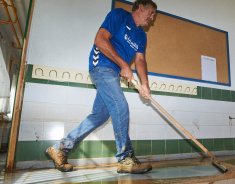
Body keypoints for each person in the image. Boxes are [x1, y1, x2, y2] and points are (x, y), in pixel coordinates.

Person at [45, 0, 157, 174]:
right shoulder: (120, 15)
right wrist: (124, 65)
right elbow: (100, 40)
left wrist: (144, 84)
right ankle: (125, 158)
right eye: (151, 13)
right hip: (102, 65)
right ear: (141, 7)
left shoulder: (142, 35)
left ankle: (60, 149)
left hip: (114, 72)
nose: (152, 17)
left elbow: (140, 60)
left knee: (99, 116)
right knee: (120, 106)